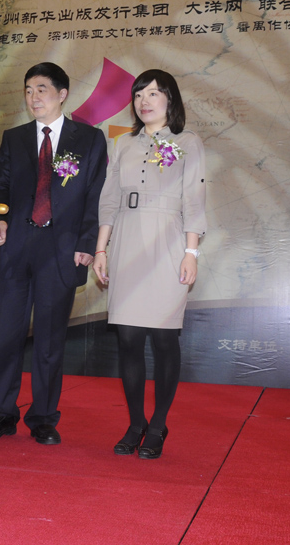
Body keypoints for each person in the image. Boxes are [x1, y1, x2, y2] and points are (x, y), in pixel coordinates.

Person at [0, 62, 107, 445]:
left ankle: (43, 418)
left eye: (41, 89)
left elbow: (96, 195)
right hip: (16, 246)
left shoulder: (89, 139)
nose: (33, 97)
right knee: (8, 335)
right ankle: (0, 413)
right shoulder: (15, 138)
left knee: (50, 340)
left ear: (62, 94)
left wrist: (87, 244)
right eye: (28, 90)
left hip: (62, 249)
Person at [92, 70, 205, 459]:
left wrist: (191, 252)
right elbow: (109, 199)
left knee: (163, 337)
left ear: (170, 99)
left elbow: (194, 199)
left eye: (153, 93)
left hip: (168, 242)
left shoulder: (186, 141)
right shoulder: (123, 143)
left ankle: (158, 424)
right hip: (126, 239)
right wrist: (101, 250)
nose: (144, 100)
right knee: (128, 338)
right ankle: (136, 422)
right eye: (139, 94)